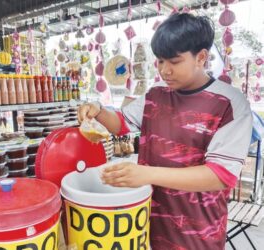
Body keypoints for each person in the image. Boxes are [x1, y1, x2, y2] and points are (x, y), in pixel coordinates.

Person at [78, 13, 252, 250]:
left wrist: (146, 174)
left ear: (201, 57)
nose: (165, 70)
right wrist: (97, 110)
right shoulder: (156, 93)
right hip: (150, 223)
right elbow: (120, 123)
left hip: (198, 232)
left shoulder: (229, 103)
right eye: (160, 61)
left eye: (174, 61)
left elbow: (220, 175)